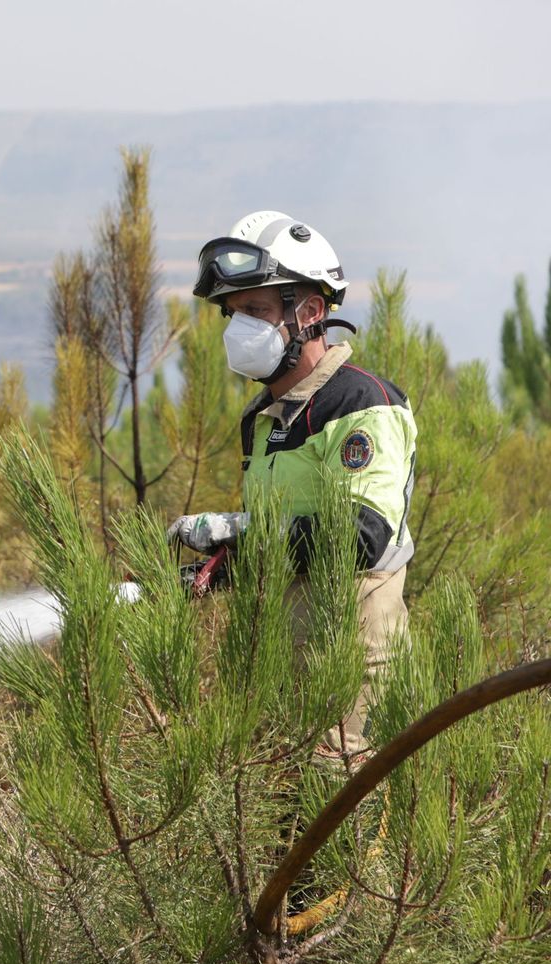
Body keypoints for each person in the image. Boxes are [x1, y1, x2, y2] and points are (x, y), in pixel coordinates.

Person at [167, 210, 417, 762]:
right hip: (278, 663)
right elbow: (285, 548)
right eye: (233, 313)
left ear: (308, 311)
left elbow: (362, 536)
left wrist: (239, 527)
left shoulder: (360, 405)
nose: (239, 327)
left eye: (255, 310)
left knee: (331, 823)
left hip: (346, 669)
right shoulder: (265, 416)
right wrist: (211, 573)